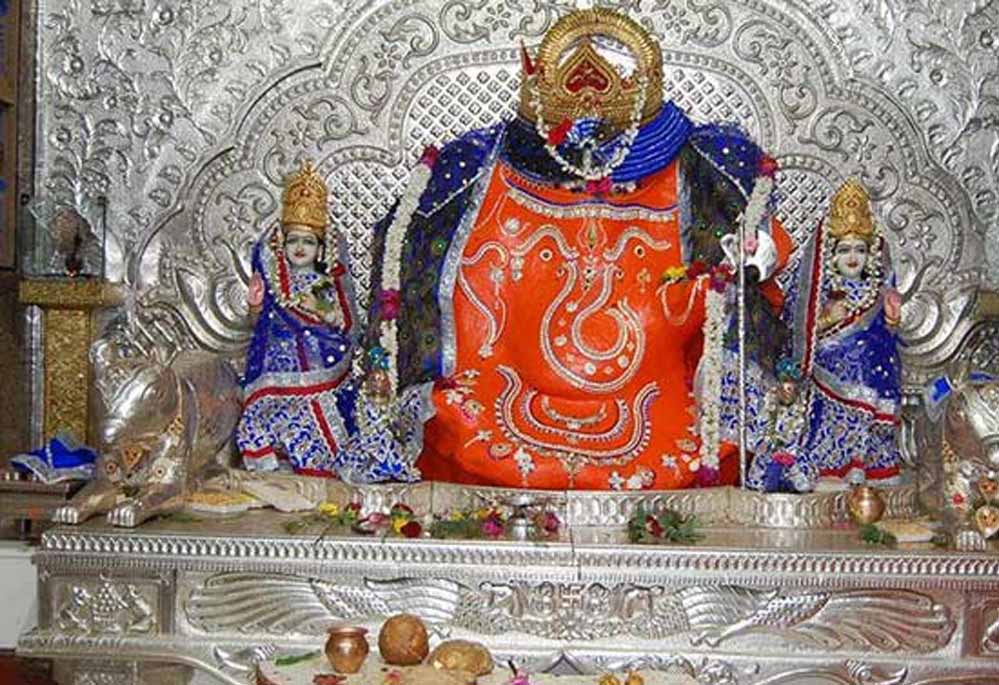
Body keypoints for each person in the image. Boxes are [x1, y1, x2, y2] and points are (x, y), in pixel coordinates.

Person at [362, 8, 793, 490]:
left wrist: (746, 263)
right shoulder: (479, 165)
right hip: (500, 382)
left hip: (659, 389)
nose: (591, 172)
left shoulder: (701, 166)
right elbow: (414, 256)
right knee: (463, 419)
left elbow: (758, 248)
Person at [764, 178, 903, 489]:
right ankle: (833, 468)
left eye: (860, 250)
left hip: (874, 374)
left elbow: (890, 341)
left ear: (871, 254)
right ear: (831, 255)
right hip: (830, 371)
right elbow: (794, 331)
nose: (853, 257)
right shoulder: (819, 291)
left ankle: (870, 470)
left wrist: (892, 321)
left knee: (869, 368)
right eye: (844, 250)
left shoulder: (878, 291)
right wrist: (827, 319)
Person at [235, 160, 359, 475]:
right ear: (282, 243)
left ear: (320, 248)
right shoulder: (274, 280)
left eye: (308, 241)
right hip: (272, 369)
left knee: (313, 412)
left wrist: (320, 310)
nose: (300, 247)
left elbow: (341, 322)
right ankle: (271, 459)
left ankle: (314, 460)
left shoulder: (322, 282)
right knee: (263, 412)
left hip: (317, 368)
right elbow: (256, 325)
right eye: (293, 240)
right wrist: (255, 306)